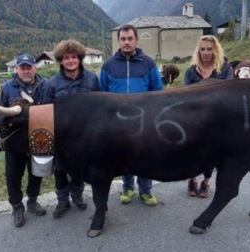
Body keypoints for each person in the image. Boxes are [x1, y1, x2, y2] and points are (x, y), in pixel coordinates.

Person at [99, 24, 163, 206]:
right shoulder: (109, 65)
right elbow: (101, 93)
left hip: (144, 120)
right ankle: (127, 188)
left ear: (136, 40)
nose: (126, 42)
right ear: (118, 41)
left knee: (145, 155)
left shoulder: (148, 62)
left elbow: (158, 91)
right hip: (118, 121)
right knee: (124, 156)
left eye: (130, 39)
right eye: (123, 39)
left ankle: (146, 190)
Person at [43, 39, 100, 218]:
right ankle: (62, 201)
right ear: (60, 60)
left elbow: (101, 105)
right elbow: (45, 110)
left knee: (80, 168)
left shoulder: (92, 79)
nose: (70, 61)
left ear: (79, 58)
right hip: (61, 136)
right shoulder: (52, 84)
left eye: (74, 57)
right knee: (60, 169)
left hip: (86, 135)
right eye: (66, 58)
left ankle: (77, 195)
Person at [0, 53, 49, 227]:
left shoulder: (46, 85)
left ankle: (32, 201)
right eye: (22, 67)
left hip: (38, 139)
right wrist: (16, 118)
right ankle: (17, 207)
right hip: (15, 141)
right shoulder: (7, 87)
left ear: (35, 68)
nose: (26, 71)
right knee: (13, 175)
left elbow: (53, 108)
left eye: (29, 67)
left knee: (37, 172)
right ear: (16, 69)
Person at [184, 35, 233, 198]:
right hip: (194, 119)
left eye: (209, 49)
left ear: (215, 50)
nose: (206, 52)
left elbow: (230, 92)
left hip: (216, 120)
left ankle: (206, 181)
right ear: (198, 51)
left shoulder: (224, 69)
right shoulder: (191, 71)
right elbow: (185, 96)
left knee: (211, 152)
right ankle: (192, 179)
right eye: (202, 49)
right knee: (192, 150)